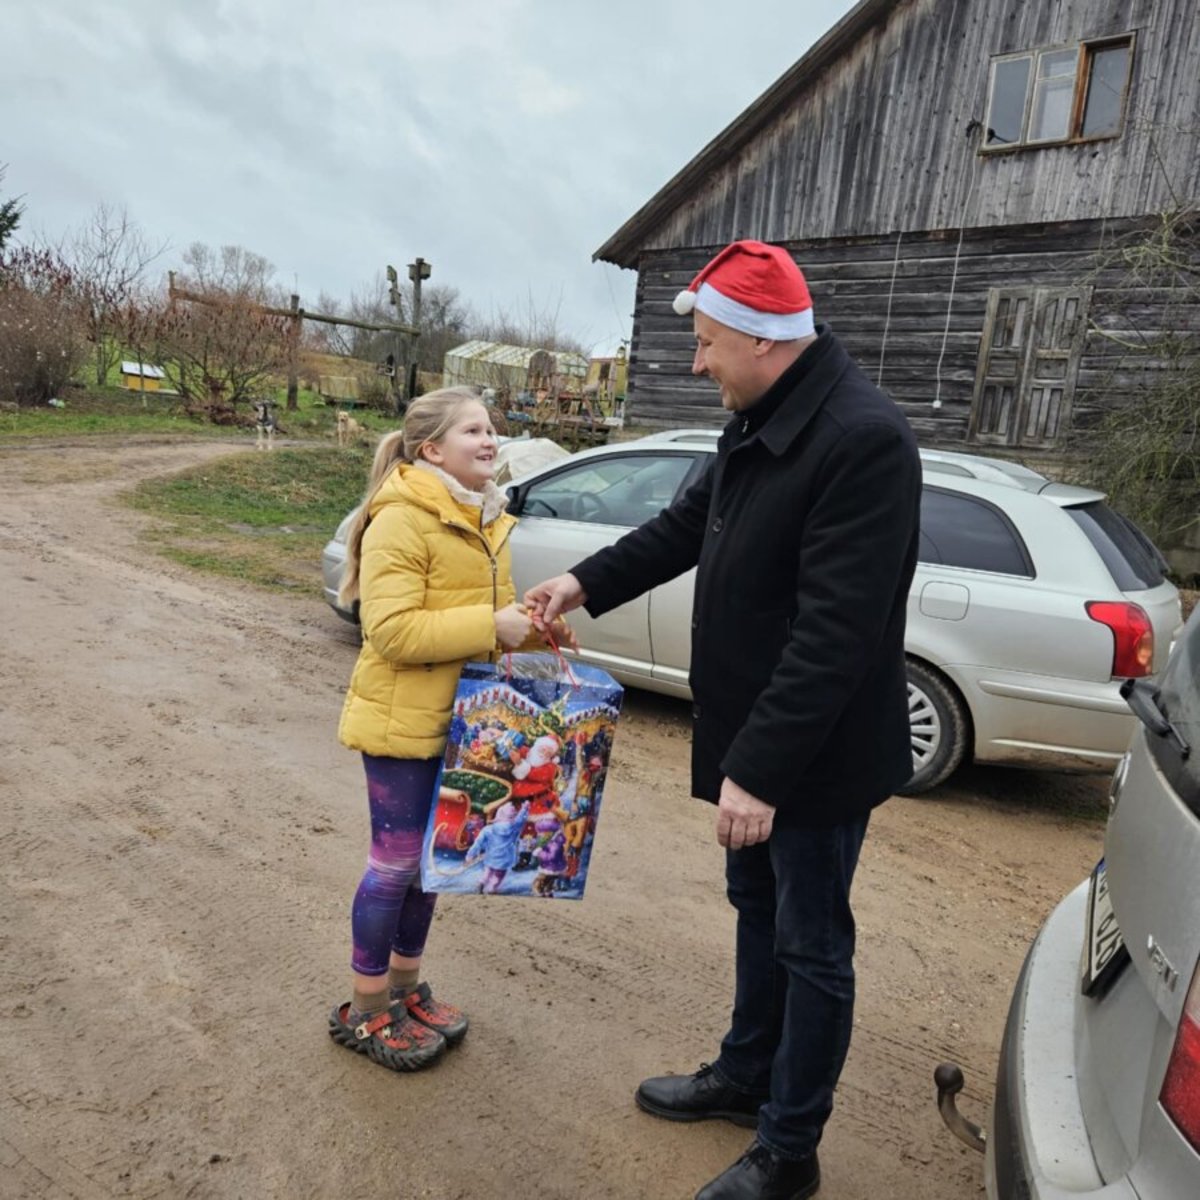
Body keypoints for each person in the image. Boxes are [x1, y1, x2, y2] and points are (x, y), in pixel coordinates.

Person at [525, 241, 921, 1200]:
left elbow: (835, 634)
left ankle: (791, 1149)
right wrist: (581, 583)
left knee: (813, 944)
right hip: (759, 743)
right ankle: (747, 1074)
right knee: (757, 912)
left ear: (760, 340)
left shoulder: (862, 440)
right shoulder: (761, 420)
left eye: (706, 344)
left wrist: (762, 773)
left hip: (811, 760)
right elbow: (678, 530)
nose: (697, 363)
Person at [329, 386, 567, 1073]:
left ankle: (405, 990)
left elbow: (485, 627)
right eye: (473, 431)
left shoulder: (486, 516)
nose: (490, 439)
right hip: (401, 722)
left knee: (432, 868)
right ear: (431, 449)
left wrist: (532, 633)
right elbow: (392, 630)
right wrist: (492, 625)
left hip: (464, 724)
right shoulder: (403, 516)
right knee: (395, 865)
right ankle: (367, 1008)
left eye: (491, 429)